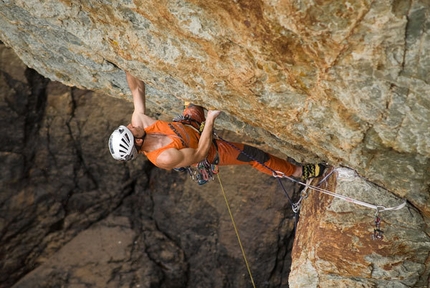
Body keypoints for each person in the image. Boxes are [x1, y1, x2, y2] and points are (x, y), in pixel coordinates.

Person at [108, 72, 325, 184]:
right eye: (129, 130)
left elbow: (136, 89)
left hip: (188, 123)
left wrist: (128, 60)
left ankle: (195, 108)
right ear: (137, 142)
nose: (130, 125)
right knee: (253, 155)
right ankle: (298, 172)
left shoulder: (140, 124)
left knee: (193, 88)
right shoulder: (163, 158)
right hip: (209, 150)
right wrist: (210, 120)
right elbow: (200, 152)